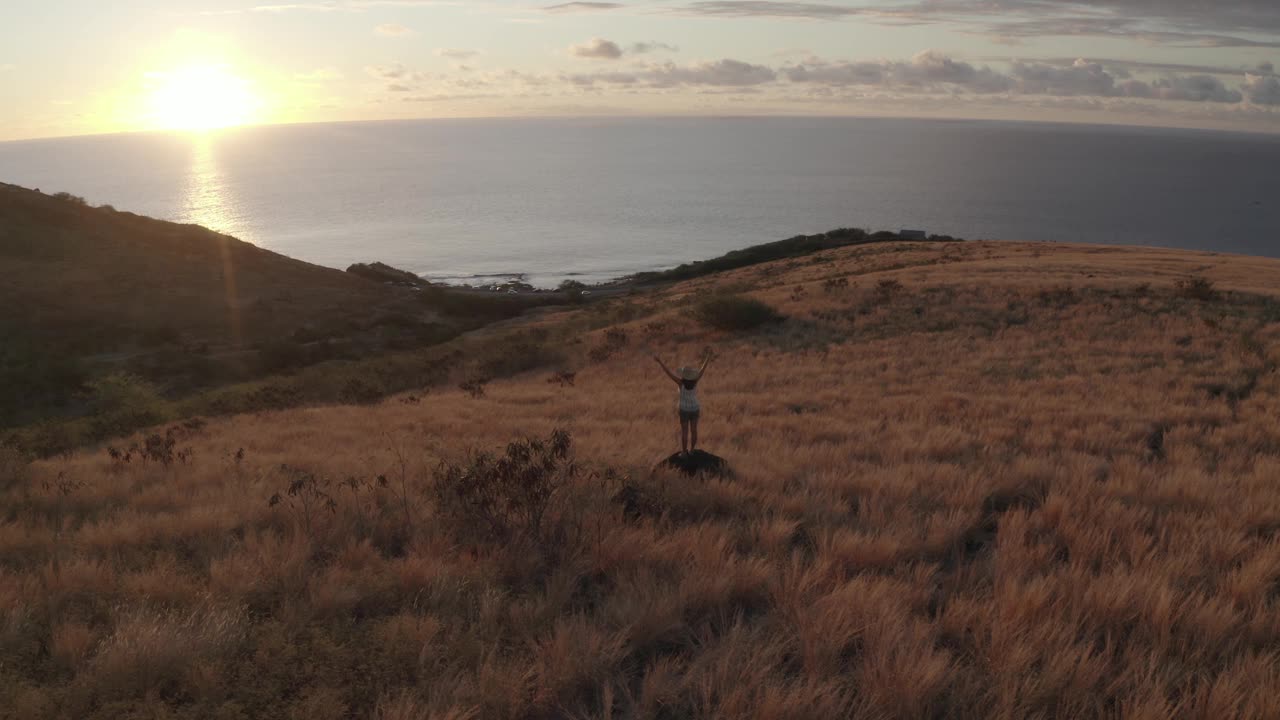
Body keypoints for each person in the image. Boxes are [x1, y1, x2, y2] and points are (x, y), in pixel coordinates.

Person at [653, 349, 713, 455]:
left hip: (684, 409)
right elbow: (702, 369)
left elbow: (668, 373)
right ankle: (692, 450)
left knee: (684, 432)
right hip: (695, 408)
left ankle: (684, 453)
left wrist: (660, 361)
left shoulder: (680, 383)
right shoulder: (696, 381)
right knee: (694, 431)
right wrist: (707, 358)